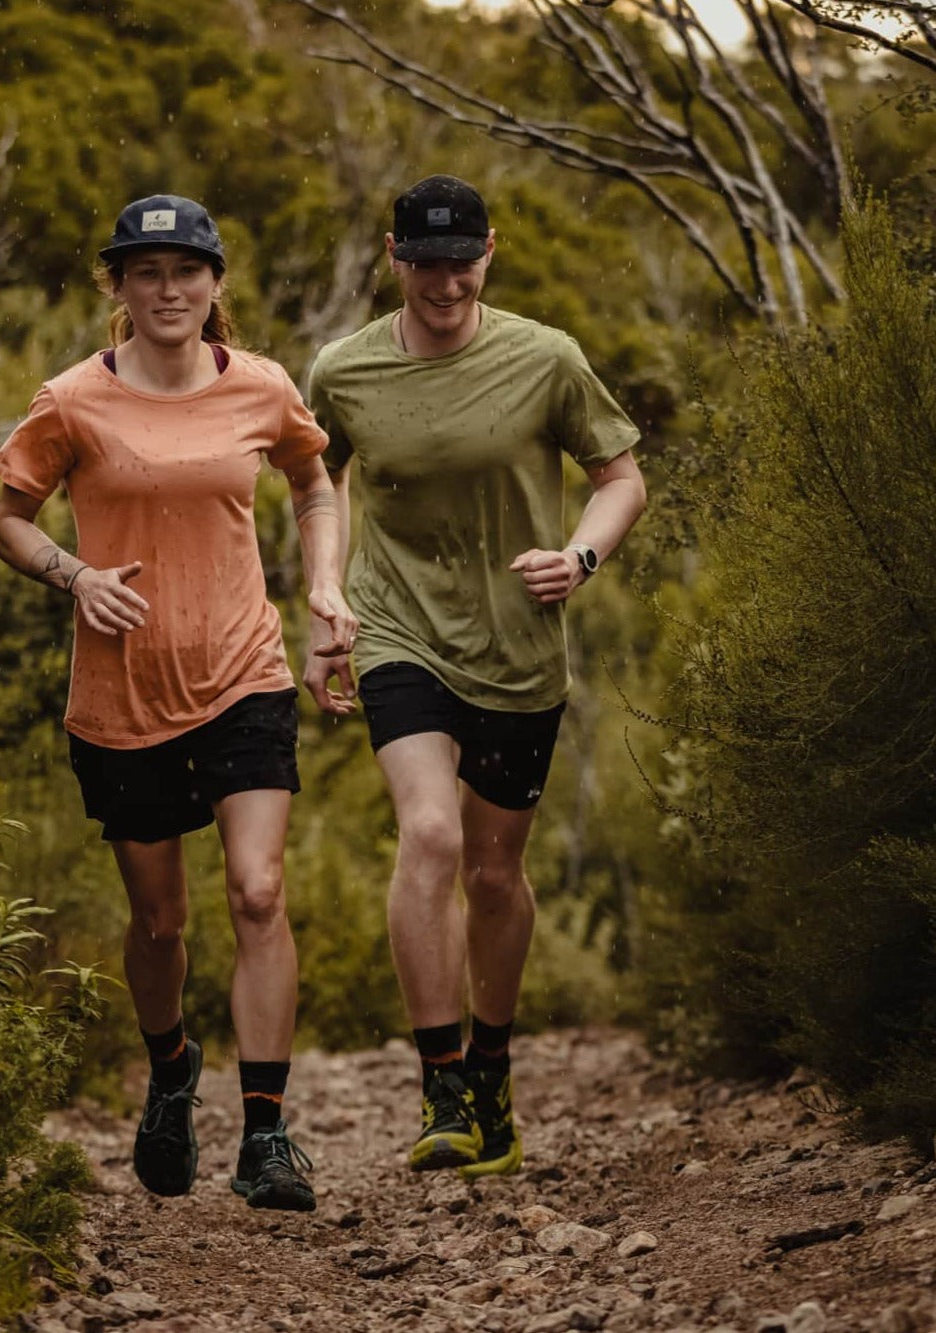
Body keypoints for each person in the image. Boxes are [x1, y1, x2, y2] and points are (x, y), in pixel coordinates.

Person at [0, 194, 356, 1212]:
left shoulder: (262, 389)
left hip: (244, 672)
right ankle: (171, 1068)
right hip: (120, 693)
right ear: (118, 286)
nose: (167, 291)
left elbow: (315, 483)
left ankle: (269, 1134)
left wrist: (325, 586)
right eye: (144, 272)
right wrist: (73, 574)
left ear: (214, 284)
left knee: (257, 891)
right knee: (159, 923)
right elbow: (8, 522)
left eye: (184, 272)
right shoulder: (70, 401)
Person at [305, 175, 646, 1177]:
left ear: (488, 252)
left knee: (496, 874)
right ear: (392, 255)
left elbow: (618, 477)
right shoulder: (345, 369)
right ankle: (443, 1083)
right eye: (425, 261)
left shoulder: (547, 359)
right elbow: (314, 480)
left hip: (518, 643)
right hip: (397, 628)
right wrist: (324, 603)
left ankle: (493, 1069)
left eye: (461, 260)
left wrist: (578, 558)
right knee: (431, 832)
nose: (444, 280)